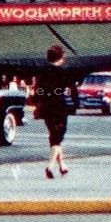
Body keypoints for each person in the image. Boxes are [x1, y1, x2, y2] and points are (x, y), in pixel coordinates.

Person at [31, 45, 78, 179]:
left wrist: (37, 101)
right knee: (57, 137)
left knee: (54, 135)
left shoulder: (42, 72)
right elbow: (72, 89)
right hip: (59, 107)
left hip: (46, 107)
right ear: (61, 57)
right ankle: (49, 166)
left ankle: (62, 165)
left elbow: (38, 90)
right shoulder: (63, 72)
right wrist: (75, 104)